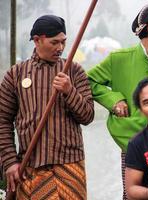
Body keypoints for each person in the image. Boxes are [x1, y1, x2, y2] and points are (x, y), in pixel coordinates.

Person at [87, 2, 148, 199]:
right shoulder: (118, 59)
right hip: (132, 144)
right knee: (132, 194)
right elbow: (88, 80)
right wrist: (114, 100)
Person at [0, 15, 94, 199]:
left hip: (70, 166)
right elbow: (2, 122)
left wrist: (69, 91)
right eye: (54, 42)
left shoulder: (74, 71)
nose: (60, 48)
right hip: (31, 167)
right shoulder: (15, 75)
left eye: (64, 42)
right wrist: (10, 162)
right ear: (37, 40)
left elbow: (88, 116)